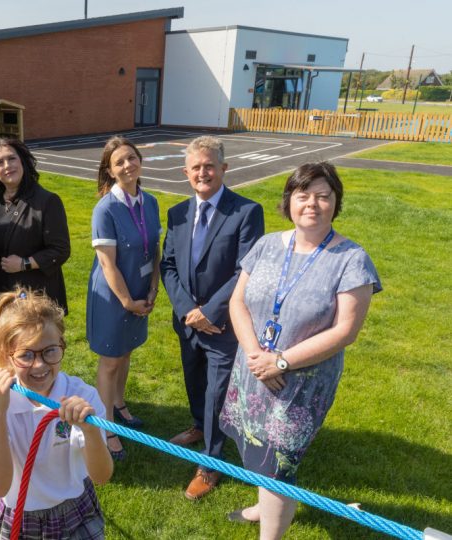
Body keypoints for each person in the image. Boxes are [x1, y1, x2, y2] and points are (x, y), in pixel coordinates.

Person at [219, 162, 380, 538]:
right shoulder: (265, 245)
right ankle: (263, 506)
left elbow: (345, 331)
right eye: (303, 195)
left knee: (280, 467)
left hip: (298, 386)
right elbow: (237, 303)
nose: (312, 203)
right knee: (257, 451)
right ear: (289, 200)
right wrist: (258, 356)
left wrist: (281, 361)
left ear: (335, 203)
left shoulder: (352, 260)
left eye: (323, 196)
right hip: (254, 370)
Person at [160, 135, 264, 500]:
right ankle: (199, 425)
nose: (202, 173)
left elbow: (245, 271)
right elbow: (168, 264)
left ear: (223, 168)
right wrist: (189, 311)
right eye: (195, 167)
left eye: (209, 166)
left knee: (218, 390)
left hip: (223, 323)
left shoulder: (246, 212)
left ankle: (211, 462)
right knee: (194, 379)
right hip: (188, 321)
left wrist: (211, 311)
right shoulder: (177, 213)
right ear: (186, 172)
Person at [0, 287, 113, 540]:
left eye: (50, 350)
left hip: (76, 507)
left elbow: (102, 475)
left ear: (62, 344)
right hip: (21, 514)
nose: (39, 365)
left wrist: (91, 429)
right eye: (26, 355)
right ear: (6, 355)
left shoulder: (83, 396)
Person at [86, 136, 162, 461]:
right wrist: (128, 301)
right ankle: (107, 429)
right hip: (113, 297)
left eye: (131, 158)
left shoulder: (152, 202)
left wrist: (154, 286)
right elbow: (107, 263)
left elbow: (154, 248)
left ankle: (119, 405)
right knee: (111, 360)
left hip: (140, 291)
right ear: (110, 170)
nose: (127, 165)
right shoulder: (106, 208)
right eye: (119, 162)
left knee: (127, 351)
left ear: (139, 160)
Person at [0, 138, 71, 315]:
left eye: (12, 158)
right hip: (2, 298)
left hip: (35, 299)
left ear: (22, 161)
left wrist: (24, 263)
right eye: (0, 162)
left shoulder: (47, 201)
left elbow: (60, 250)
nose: (7, 165)